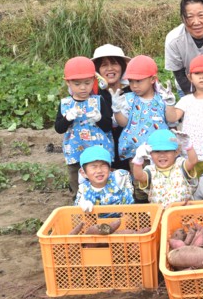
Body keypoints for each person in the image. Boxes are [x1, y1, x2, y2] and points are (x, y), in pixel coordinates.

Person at [112, 55, 169, 203]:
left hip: (160, 151)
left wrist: (170, 104)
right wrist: (117, 110)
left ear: (152, 79)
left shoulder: (162, 98)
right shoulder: (128, 99)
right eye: (131, 81)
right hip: (135, 151)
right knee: (140, 185)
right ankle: (143, 210)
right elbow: (123, 123)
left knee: (162, 182)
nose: (134, 85)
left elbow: (171, 119)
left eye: (139, 81)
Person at [55, 56, 114, 196]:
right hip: (75, 151)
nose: (83, 87)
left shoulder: (99, 101)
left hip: (98, 150)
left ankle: (105, 202)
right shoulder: (65, 104)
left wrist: (99, 119)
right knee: (76, 180)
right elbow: (59, 128)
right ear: (68, 82)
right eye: (77, 84)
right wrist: (67, 118)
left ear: (93, 80)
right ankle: (78, 202)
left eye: (87, 83)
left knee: (102, 179)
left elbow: (108, 126)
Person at [131, 129, 197, 207]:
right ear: (150, 154)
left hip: (183, 212)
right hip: (160, 213)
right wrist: (138, 159)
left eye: (167, 151)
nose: (162, 155)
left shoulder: (180, 164)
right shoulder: (150, 170)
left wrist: (188, 146)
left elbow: (193, 161)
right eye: (157, 151)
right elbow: (139, 176)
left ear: (176, 152)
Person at [91, 44, 131, 171]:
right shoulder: (93, 96)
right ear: (97, 70)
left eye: (114, 63)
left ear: (122, 67)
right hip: (103, 156)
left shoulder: (133, 91)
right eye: (104, 65)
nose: (110, 68)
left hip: (130, 153)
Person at [75, 145, 134, 212]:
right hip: (96, 218)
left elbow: (126, 175)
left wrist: (129, 190)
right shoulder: (83, 189)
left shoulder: (118, 178)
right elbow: (76, 211)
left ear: (110, 169)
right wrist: (83, 205)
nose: (99, 171)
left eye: (103, 166)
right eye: (93, 167)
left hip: (123, 216)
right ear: (83, 173)